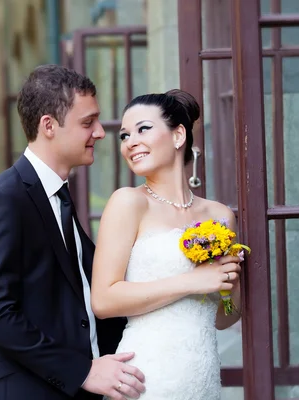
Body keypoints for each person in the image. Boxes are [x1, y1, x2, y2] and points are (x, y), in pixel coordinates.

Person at [0, 64, 146, 400]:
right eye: (87, 122)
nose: (100, 132)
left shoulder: (59, 196)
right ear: (49, 125)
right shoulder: (2, 200)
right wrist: (83, 371)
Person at [91, 89, 244, 400]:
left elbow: (225, 317)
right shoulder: (128, 203)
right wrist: (192, 281)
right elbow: (104, 300)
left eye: (143, 129)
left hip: (203, 380)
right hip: (147, 379)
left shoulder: (220, 215)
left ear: (178, 135)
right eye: (124, 135)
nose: (130, 142)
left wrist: (228, 282)